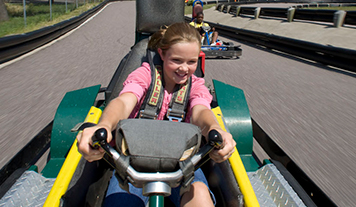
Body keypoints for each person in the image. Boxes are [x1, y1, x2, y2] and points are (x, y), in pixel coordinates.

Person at [77, 22, 236, 207]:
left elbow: (200, 111)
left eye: (191, 62)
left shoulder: (196, 85)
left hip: (183, 164)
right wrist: (103, 126)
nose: (184, 68)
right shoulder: (145, 75)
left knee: (200, 199)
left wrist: (214, 128)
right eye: (176, 60)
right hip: (134, 164)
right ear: (162, 54)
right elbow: (123, 102)